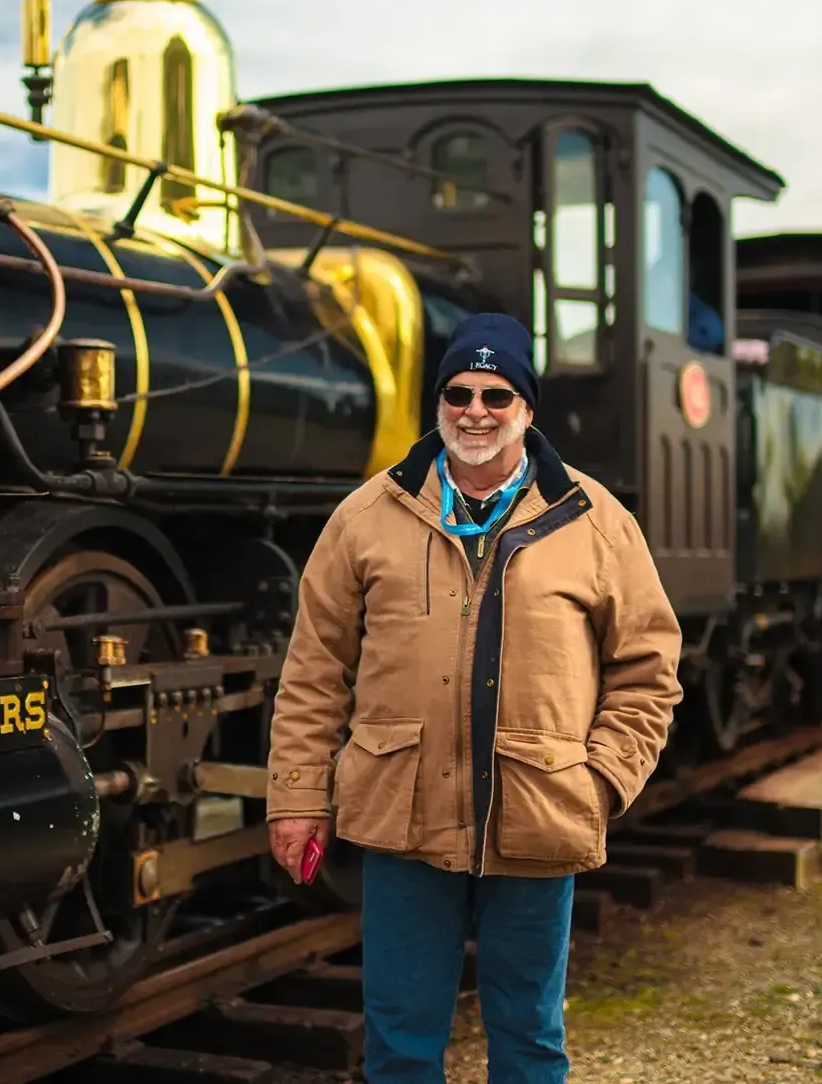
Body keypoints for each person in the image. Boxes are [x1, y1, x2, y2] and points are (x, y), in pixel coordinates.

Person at [263, 312, 683, 1084]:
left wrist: (601, 779)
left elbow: (649, 667)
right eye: (459, 392)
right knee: (399, 1045)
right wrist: (296, 797)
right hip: (403, 822)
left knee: (528, 1041)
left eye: (498, 394)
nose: (476, 411)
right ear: (439, 402)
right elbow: (314, 671)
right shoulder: (364, 519)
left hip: (538, 818)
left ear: (528, 408)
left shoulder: (596, 523)